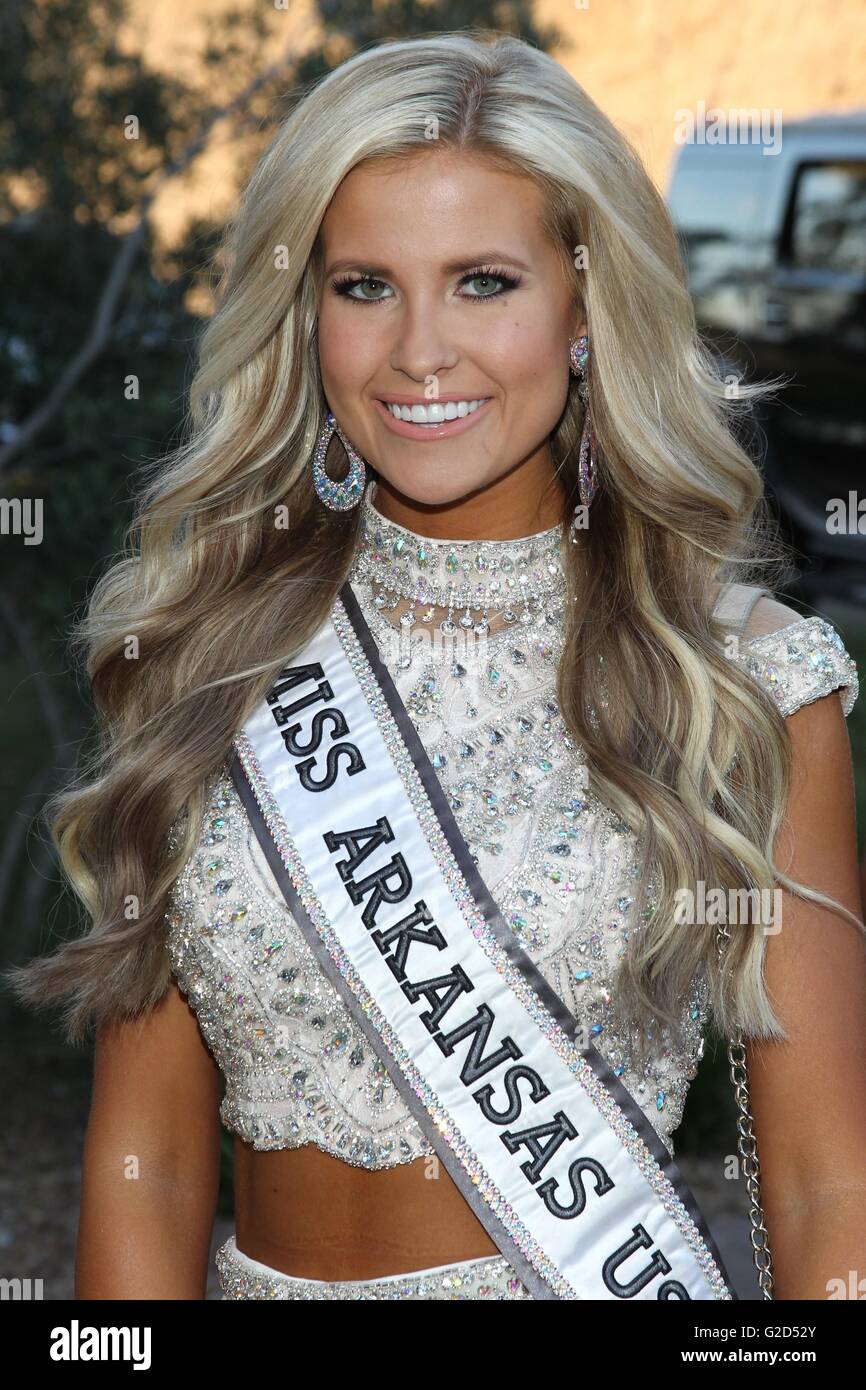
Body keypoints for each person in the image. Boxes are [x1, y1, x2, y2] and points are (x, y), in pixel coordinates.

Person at [6, 31, 866, 1302]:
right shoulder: (203, 652)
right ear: (304, 315)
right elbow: (151, 1158)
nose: (418, 349)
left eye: (482, 282)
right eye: (363, 285)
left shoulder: (738, 683)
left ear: (583, 310)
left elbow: (818, 1182)